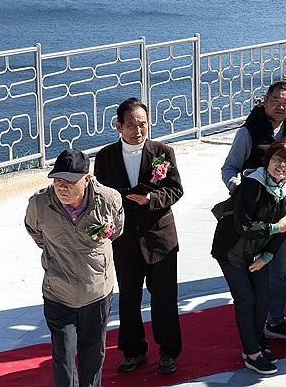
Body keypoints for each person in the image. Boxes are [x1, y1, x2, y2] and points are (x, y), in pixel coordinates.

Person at [92, 98, 183, 375]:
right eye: (131, 125)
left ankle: (168, 352)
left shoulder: (162, 152)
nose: (138, 130)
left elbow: (175, 190)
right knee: (129, 300)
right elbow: (99, 197)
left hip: (160, 240)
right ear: (119, 126)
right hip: (125, 241)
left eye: (142, 124)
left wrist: (151, 199)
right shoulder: (106, 157)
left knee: (165, 299)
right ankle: (133, 351)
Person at [25, 149, 125, 387]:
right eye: (57, 181)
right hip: (58, 292)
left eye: (69, 182)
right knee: (64, 357)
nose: (61, 187)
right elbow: (34, 231)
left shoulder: (109, 200)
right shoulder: (40, 204)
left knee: (93, 354)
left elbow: (117, 230)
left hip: (96, 292)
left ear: (87, 179)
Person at [220, 81, 286, 341]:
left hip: (284, 211)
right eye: (275, 100)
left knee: (278, 266)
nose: (281, 106)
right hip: (254, 218)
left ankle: (275, 321)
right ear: (265, 100)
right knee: (260, 272)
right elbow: (229, 168)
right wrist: (239, 188)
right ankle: (260, 326)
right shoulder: (248, 132)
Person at [210, 139, 286, 375]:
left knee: (263, 299)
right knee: (245, 300)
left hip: (259, 253)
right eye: (278, 159)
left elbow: (285, 226)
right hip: (232, 251)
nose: (282, 165)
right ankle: (251, 353)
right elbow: (243, 226)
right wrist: (273, 229)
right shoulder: (251, 185)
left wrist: (268, 255)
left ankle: (256, 341)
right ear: (267, 160)